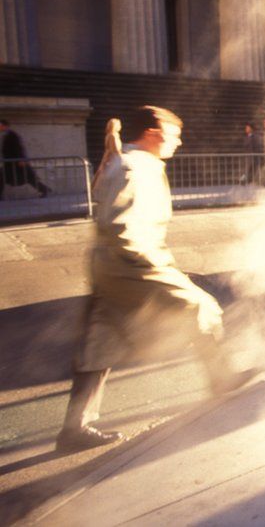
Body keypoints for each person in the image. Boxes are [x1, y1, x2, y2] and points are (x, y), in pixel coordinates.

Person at [55, 106, 253, 452]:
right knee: (200, 306)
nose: (178, 142)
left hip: (111, 266)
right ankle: (222, 379)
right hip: (130, 263)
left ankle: (75, 429)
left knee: (99, 342)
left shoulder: (130, 162)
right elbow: (120, 225)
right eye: (174, 135)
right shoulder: (134, 166)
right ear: (153, 133)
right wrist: (155, 265)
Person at [0, 119, 52, 199]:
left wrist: (22, 159)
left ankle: (44, 189)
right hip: (11, 164)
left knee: (29, 178)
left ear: (4, 126)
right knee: (3, 177)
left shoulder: (13, 135)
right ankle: (45, 189)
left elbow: (19, 148)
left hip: (16, 163)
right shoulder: (7, 135)